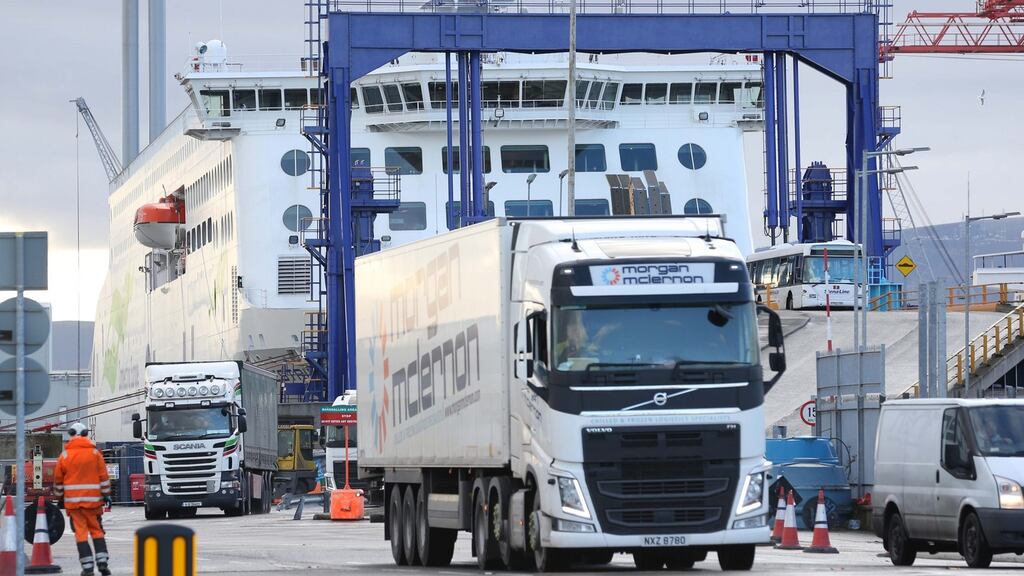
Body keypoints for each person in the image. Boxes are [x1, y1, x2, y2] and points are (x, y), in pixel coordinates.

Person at [54, 422, 112, 576]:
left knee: (81, 534)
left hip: (74, 505)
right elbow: (104, 478)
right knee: (97, 531)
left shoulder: (65, 456)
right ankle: (102, 562)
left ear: (71, 434)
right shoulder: (95, 454)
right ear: (86, 434)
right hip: (93, 503)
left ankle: (87, 568)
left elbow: (58, 482)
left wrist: (59, 497)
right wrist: (106, 495)